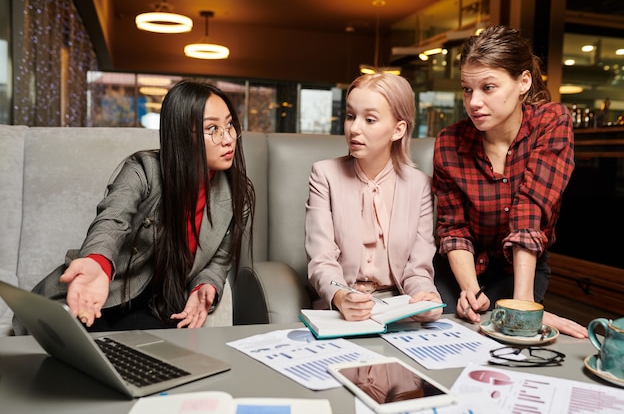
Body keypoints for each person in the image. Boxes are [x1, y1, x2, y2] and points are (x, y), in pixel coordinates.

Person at [13, 80, 255, 334]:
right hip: (105, 293)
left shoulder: (237, 193)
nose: (228, 138)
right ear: (183, 134)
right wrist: (97, 261)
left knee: (159, 358)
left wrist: (206, 285)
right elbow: (112, 219)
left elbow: (219, 259)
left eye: (229, 125)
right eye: (213, 128)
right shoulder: (143, 169)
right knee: (81, 349)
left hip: (156, 306)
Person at [431, 25, 587, 338]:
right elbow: (454, 228)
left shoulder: (552, 122)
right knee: (453, 331)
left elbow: (531, 209)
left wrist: (523, 304)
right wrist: (471, 294)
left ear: (523, 82)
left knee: (514, 339)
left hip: (520, 269)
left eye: (488, 87)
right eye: (467, 89)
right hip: (461, 268)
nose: (474, 101)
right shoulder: (450, 142)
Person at [305, 72, 442, 322]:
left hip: (398, 310)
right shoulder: (324, 175)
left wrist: (426, 298)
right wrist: (340, 297)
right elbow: (321, 260)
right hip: (341, 310)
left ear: (398, 129)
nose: (354, 128)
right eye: (350, 116)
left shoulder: (420, 186)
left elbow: (417, 269)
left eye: (369, 119)